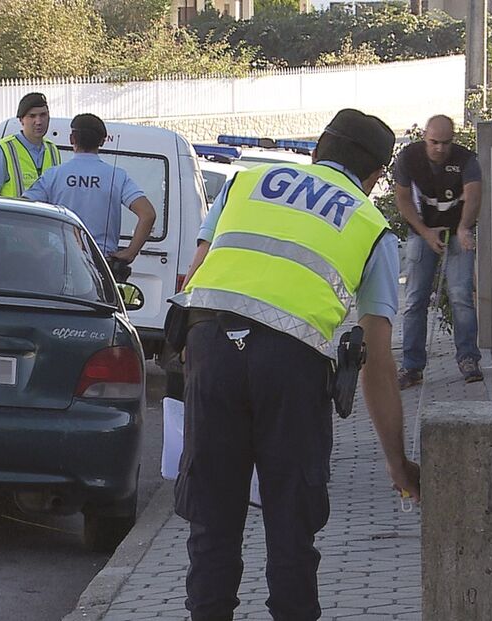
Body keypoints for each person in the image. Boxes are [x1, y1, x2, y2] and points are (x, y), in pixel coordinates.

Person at [169, 108, 421, 621]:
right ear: (375, 177)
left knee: (212, 522)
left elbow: (196, 276)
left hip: (211, 345)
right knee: (291, 524)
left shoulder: (245, 182)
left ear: (317, 150)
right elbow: (375, 362)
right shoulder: (371, 226)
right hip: (292, 364)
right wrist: (397, 464)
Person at [394, 114, 483, 388]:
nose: (440, 148)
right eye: (434, 142)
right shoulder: (409, 158)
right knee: (415, 299)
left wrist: (464, 227)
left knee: (460, 296)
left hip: (459, 229)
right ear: (425, 138)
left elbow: (474, 194)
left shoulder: (466, 160)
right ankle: (412, 367)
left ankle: (468, 359)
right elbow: (403, 199)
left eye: (446, 143)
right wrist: (424, 232)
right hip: (423, 229)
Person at [23, 113, 156, 266]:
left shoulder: (54, 175)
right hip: (100, 264)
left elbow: (22, 210)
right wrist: (129, 253)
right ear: (102, 141)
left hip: (59, 261)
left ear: (72, 139)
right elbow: (148, 214)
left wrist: (38, 249)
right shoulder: (116, 176)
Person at [0, 92, 61, 197]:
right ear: (21, 120)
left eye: (43, 115)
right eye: (32, 116)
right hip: (14, 213)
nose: (39, 121)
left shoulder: (52, 149)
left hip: (45, 213)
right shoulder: (4, 149)